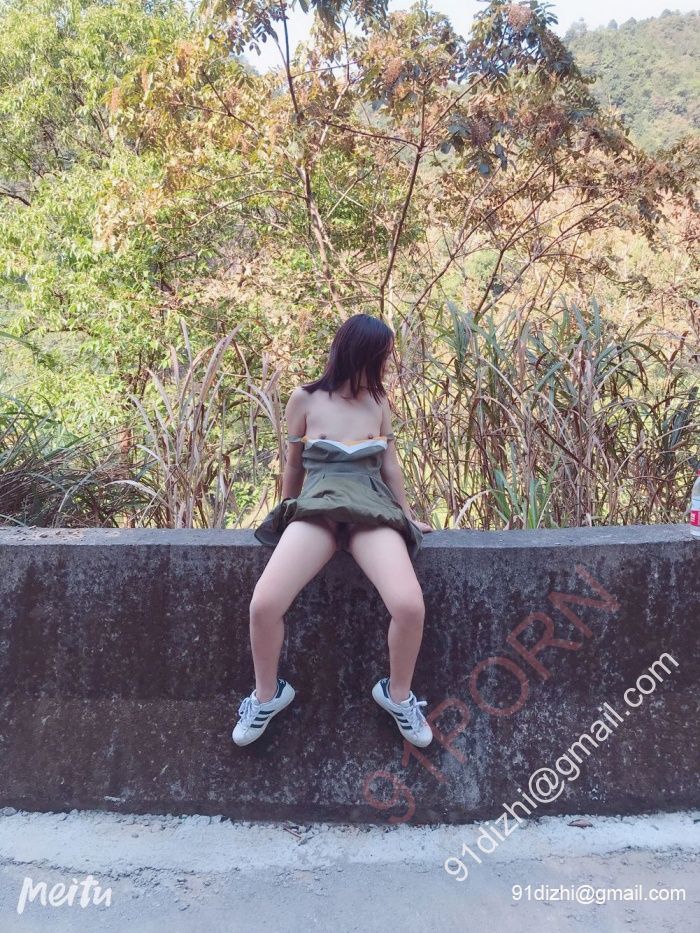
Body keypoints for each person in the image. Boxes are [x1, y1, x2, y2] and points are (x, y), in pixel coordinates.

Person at [232, 313, 434, 749]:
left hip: (370, 508)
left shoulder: (379, 403)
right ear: (359, 353)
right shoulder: (304, 399)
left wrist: (406, 513)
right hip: (319, 507)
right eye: (381, 355)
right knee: (264, 604)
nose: (385, 362)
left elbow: (390, 467)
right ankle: (266, 696)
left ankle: (398, 696)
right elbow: (293, 465)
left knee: (409, 606)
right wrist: (286, 509)